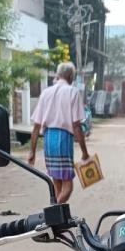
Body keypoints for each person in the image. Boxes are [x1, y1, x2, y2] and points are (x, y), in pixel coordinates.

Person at [28, 62, 91, 204]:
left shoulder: (46, 93)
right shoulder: (73, 92)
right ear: (70, 76)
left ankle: (58, 222)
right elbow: (76, 126)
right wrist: (84, 152)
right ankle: (52, 214)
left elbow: (36, 127)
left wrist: (32, 151)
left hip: (49, 139)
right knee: (68, 186)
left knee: (57, 183)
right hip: (63, 139)